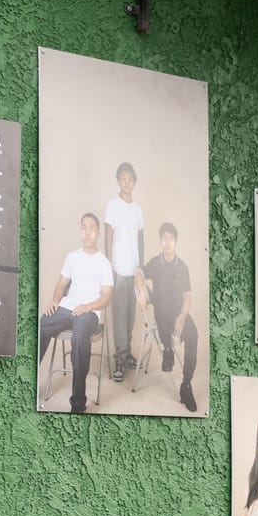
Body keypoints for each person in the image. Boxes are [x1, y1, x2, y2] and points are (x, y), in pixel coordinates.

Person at [35, 213, 113, 414]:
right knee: (42, 325)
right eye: (84, 227)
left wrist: (87, 307)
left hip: (90, 313)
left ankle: (78, 403)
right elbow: (61, 284)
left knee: (79, 338)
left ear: (97, 233)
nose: (87, 232)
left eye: (91, 228)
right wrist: (55, 300)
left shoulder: (104, 263)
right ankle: (27, 380)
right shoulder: (72, 257)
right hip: (67, 308)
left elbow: (105, 297)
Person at [138, 221, 200, 414]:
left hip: (179, 312)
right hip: (162, 311)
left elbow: (188, 298)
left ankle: (186, 385)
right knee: (163, 310)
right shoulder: (156, 262)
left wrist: (182, 316)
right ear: (160, 241)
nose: (167, 242)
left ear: (175, 242)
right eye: (164, 238)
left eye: (170, 239)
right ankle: (167, 349)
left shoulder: (182, 267)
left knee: (194, 335)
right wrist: (141, 292)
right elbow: (139, 272)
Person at [102, 161, 144, 382]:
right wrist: (109, 266)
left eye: (130, 179)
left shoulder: (137, 210)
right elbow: (108, 236)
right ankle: (119, 358)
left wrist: (141, 271)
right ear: (119, 181)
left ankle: (126, 354)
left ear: (134, 182)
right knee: (118, 318)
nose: (127, 183)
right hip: (118, 271)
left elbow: (140, 239)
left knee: (130, 317)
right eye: (123, 179)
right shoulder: (113, 205)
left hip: (133, 271)